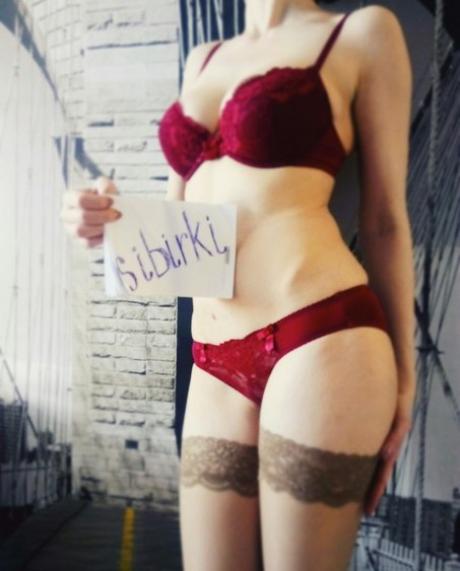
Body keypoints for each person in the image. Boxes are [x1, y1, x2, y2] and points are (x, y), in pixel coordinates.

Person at [60, 1, 416, 569]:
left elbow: (384, 222)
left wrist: (405, 381)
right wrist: (108, 216)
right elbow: (181, 222)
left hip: (320, 338)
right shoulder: (202, 59)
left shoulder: (362, 32)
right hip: (214, 360)